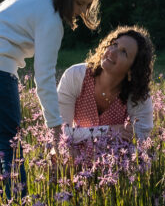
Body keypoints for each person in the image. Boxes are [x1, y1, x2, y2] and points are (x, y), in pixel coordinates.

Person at [0, 0, 100, 197]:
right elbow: (44, 76)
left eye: (88, 5)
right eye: (79, 3)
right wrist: (55, 126)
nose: (82, 10)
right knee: (11, 148)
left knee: (2, 146)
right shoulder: (52, 20)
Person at [56, 26, 155, 164]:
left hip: (114, 167)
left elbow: (140, 141)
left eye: (123, 52)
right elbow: (60, 133)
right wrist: (109, 131)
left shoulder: (138, 95)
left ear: (132, 69)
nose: (112, 52)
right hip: (72, 160)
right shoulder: (75, 75)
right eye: (114, 44)